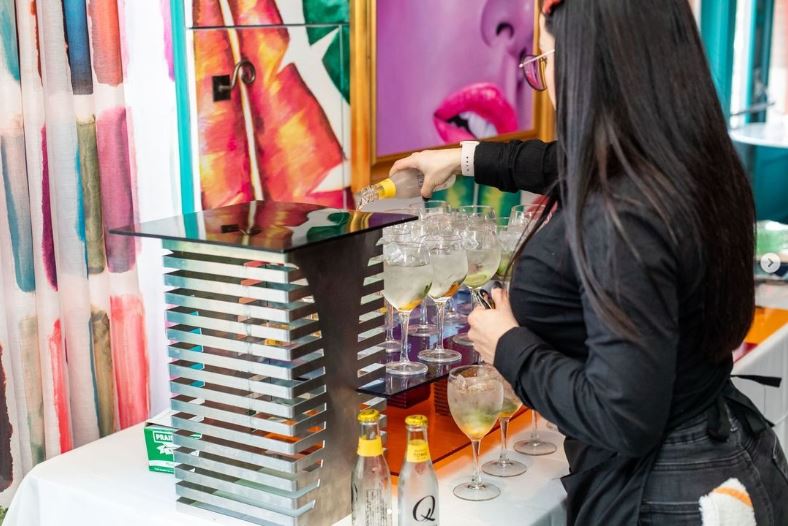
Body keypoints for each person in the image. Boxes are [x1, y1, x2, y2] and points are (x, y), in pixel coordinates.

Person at [389, 0, 788, 524]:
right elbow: (563, 161)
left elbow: (624, 417)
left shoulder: (622, 215)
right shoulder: (685, 158)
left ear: (587, 67)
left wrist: (508, 345)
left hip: (670, 494)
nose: (545, 83)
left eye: (544, 63)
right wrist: (463, 158)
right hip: (731, 455)